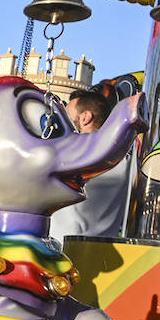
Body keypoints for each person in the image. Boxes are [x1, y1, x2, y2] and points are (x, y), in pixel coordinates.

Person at [49, 88, 135, 243]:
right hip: (99, 253)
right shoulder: (125, 159)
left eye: (66, 116)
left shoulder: (71, 153)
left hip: (57, 251)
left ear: (85, 118)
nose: (61, 122)